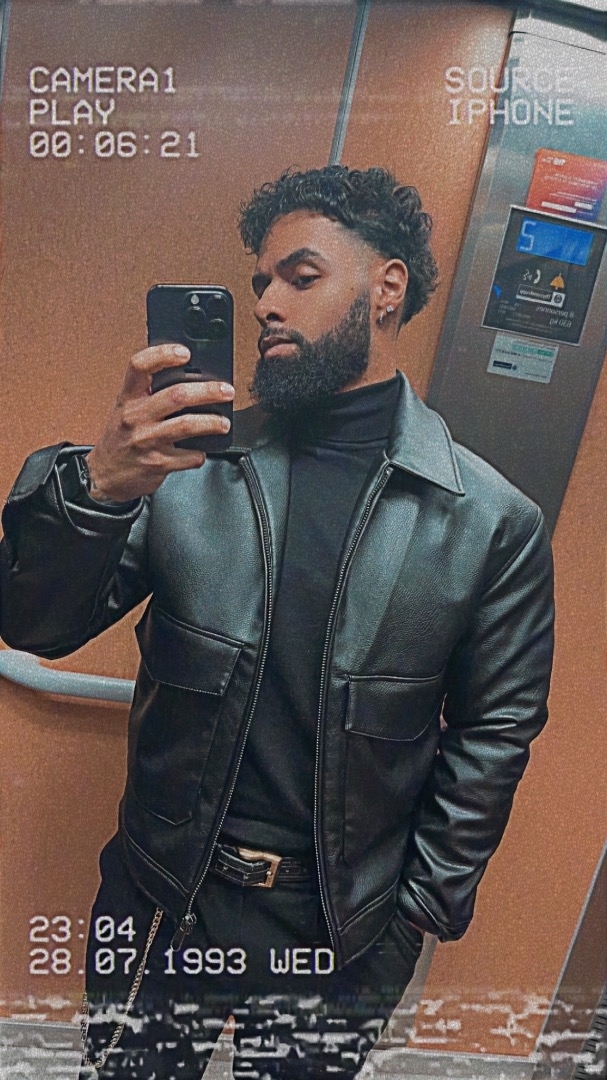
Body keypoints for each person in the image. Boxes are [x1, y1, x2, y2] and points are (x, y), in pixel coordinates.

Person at [0, 165, 554, 1080]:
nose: (265, 303)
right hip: (164, 902)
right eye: (261, 281)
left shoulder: (487, 522)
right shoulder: (186, 469)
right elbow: (34, 624)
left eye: (300, 276)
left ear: (385, 288)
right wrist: (98, 486)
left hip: (341, 929)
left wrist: (416, 912)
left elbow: (495, 732)